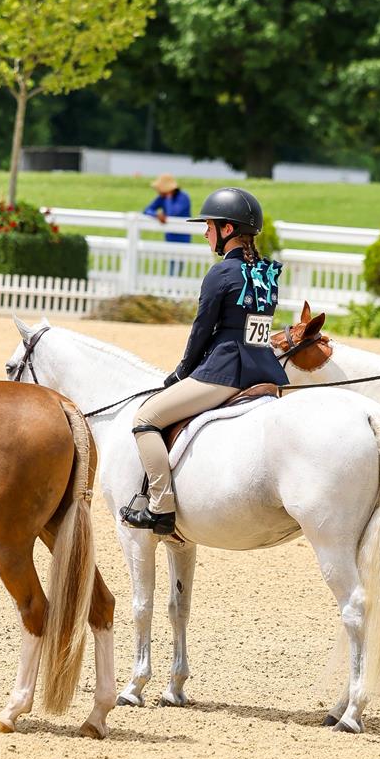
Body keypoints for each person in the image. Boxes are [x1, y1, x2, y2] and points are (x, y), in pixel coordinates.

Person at [120, 185, 281, 536]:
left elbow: (201, 330)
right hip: (264, 371)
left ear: (227, 229)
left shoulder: (222, 274)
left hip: (224, 373)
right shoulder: (267, 274)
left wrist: (181, 372)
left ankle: (160, 506)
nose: (205, 232)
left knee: (145, 417)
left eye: (209, 225)